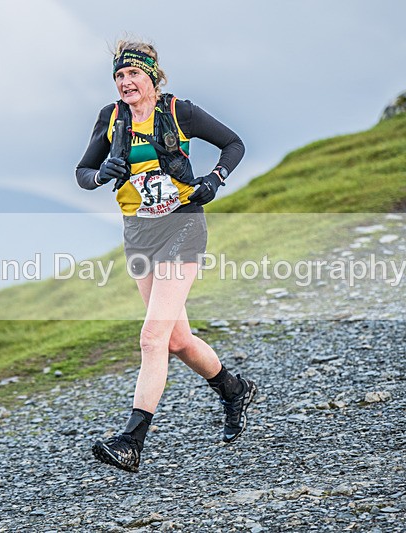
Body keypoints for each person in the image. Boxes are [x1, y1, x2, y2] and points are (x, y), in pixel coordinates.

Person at [75, 39, 256, 473]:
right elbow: (82, 173)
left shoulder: (179, 112)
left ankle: (131, 442)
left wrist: (215, 179)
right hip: (139, 234)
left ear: (152, 77)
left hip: (182, 227)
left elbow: (234, 144)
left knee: (152, 338)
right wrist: (101, 174)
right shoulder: (110, 117)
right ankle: (234, 390)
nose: (125, 82)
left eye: (133, 74)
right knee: (177, 341)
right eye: (119, 75)